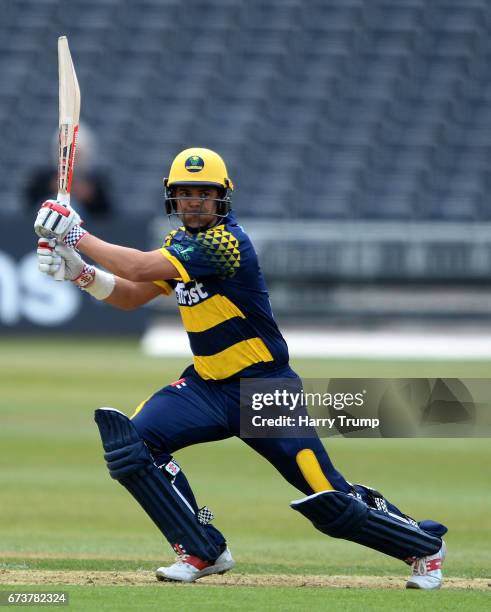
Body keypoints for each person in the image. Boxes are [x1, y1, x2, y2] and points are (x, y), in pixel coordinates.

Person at [34, 147, 447, 589]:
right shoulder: (181, 245)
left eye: (204, 193)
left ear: (222, 198)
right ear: (172, 198)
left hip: (264, 390)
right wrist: (80, 273)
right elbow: (132, 293)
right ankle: (201, 547)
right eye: (185, 192)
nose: (194, 201)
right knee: (132, 445)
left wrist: (76, 234)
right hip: (205, 389)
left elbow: (136, 265)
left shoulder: (226, 244)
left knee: (327, 496)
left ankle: (423, 546)